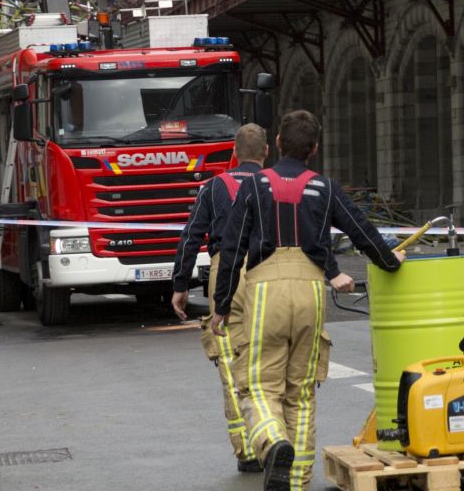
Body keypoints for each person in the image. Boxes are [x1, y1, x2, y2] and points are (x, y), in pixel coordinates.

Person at [212, 110, 403, 491]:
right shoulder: (324, 188)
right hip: (311, 293)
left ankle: (272, 441)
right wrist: (389, 260)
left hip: (265, 290)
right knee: (301, 393)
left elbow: (231, 249)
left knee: (258, 386)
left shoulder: (254, 187)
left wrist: (221, 306)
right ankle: (296, 482)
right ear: (314, 149)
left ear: (278, 143)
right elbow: (361, 230)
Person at [169, 122, 269, 473]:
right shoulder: (277, 184)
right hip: (271, 272)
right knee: (271, 358)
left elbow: (192, 234)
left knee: (230, 361)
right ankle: (274, 436)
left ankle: (247, 451)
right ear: (266, 153)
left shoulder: (214, 187)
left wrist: (180, 284)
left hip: (226, 272)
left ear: (234, 154)